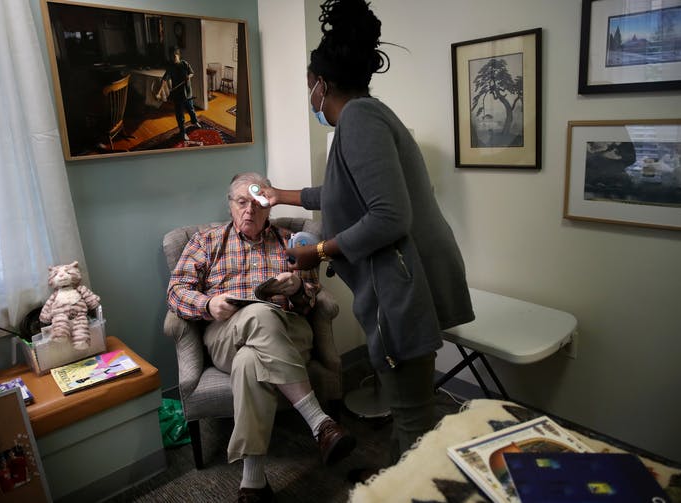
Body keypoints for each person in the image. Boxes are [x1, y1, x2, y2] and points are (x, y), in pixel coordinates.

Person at [261, 0, 474, 475]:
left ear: (323, 84)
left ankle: (410, 484)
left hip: (403, 288)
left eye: (308, 86)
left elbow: (388, 217)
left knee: (414, 420)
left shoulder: (357, 122)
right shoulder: (368, 116)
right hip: (405, 280)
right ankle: (398, 480)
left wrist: (316, 251)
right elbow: (338, 192)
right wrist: (280, 195)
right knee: (410, 415)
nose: (308, 95)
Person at [167, 172, 355, 502]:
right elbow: (176, 292)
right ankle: (318, 422)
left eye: (257, 204)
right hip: (225, 334)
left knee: (250, 360)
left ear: (269, 207)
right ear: (230, 206)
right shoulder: (206, 242)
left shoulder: (291, 241)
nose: (249, 211)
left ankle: (253, 481)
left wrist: (298, 288)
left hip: (290, 330)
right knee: (258, 313)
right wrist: (208, 303)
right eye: (242, 203)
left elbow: (312, 295)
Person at [161, 46, 201, 141]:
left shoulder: (185, 64)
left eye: (174, 56)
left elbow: (192, 73)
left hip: (187, 93)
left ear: (178, 55)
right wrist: (162, 83)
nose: (173, 58)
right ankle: (182, 133)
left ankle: (194, 121)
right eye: (171, 56)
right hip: (177, 95)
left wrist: (188, 76)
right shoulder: (170, 67)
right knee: (180, 115)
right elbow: (165, 78)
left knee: (191, 109)